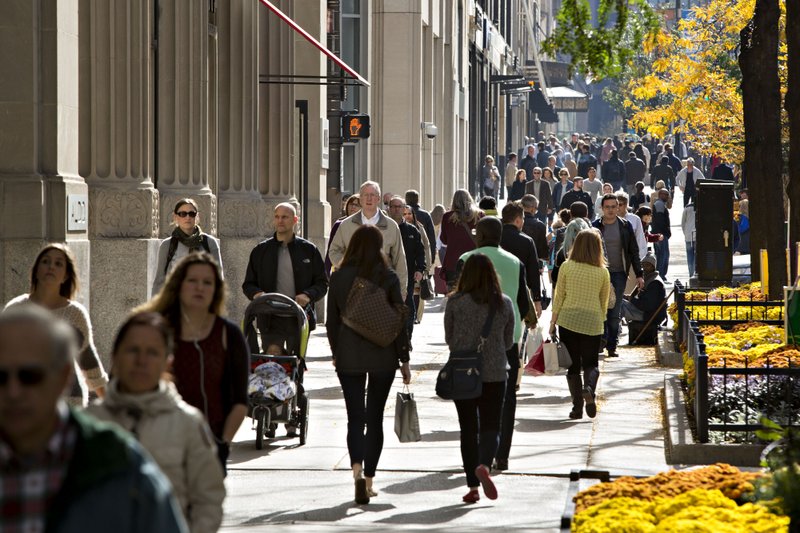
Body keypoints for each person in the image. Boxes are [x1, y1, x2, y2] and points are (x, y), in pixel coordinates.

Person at [0, 306, 188, 532]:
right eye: (1, 377)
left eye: (29, 376)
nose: (13, 392)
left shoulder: (119, 463)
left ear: (62, 377)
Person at [86, 312, 225, 532]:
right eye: (133, 350)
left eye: (152, 352)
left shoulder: (187, 423)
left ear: (167, 361)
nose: (141, 361)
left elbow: (209, 499)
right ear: (115, 356)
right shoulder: (91, 423)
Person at [138, 252, 249, 474]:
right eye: (192, 281)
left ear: (216, 290)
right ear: (179, 285)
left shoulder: (230, 335)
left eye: (207, 282)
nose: (200, 287)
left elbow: (240, 401)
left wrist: (223, 444)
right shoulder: (154, 330)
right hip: (156, 450)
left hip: (207, 449)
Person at [326, 225, 412, 505]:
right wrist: (404, 359)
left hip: (349, 355)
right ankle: (371, 480)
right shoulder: (386, 276)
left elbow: (331, 322)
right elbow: (399, 319)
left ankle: (357, 472)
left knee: (355, 417)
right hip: (383, 355)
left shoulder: (338, 278)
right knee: (375, 418)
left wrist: (336, 351)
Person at [457, 218, 529, 474]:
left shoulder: (466, 259)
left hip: (469, 339)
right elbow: (524, 300)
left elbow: (456, 296)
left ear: (478, 235)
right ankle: (502, 454)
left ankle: (478, 453)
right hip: (505, 336)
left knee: (472, 393)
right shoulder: (515, 262)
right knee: (506, 398)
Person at [445, 254, 515, 504]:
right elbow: (508, 342)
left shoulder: (454, 303)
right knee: (491, 426)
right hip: (495, 372)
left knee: (467, 429)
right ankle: (485, 464)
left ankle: (473, 487)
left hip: (463, 372)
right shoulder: (504, 303)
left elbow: (450, 339)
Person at [3, 243, 108, 406]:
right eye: (45, 261)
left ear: (66, 276)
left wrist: (114, 407)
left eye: (58, 263)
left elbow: (88, 361)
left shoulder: (75, 314)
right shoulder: (16, 309)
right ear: (36, 270)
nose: (51, 266)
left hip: (68, 402)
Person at [242, 202, 328, 353]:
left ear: (295, 220)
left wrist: (308, 295)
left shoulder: (309, 250)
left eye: (285, 217)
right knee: (271, 363)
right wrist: (258, 295)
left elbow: (322, 283)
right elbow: (248, 284)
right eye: (277, 217)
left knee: (296, 363)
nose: (280, 221)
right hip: (269, 317)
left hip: (298, 317)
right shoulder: (261, 250)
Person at [549, 229, 609, 419]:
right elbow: (604, 302)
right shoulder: (603, 272)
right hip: (592, 320)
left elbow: (559, 296)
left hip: (568, 320)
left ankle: (577, 408)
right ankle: (589, 388)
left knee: (572, 366)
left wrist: (553, 321)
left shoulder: (567, 266)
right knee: (591, 363)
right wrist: (601, 321)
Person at [328, 180, 408, 298]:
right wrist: (349, 268)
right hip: (352, 290)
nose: (369, 199)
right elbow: (334, 251)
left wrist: (401, 293)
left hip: (382, 289)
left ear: (378, 199)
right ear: (360, 199)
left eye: (372, 195)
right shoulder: (346, 225)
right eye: (365, 195)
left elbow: (400, 261)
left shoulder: (391, 226)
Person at [591, 194, 644, 358]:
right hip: (600, 273)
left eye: (614, 206)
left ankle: (612, 346)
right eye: (607, 207)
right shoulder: (595, 227)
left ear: (619, 207)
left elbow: (633, 251)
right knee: (599, 309)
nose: (611, 210)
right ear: (602, 208)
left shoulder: (625, 226)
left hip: (619, 273)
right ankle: (601, 341)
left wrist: (639, 274)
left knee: (614, 311)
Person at [153, 198, 223, 296]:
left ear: (197, 216)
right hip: (175, 301)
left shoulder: (209, 242)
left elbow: (219, 276)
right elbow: (159, 280)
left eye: (191, 214)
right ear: (175, 217)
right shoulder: (167, 245)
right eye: (182, 214)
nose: (187, 217)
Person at [388, 197, 426, 340]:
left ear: (404, 209)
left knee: (407, 304)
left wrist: (420, 269)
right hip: (387, 274)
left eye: (400, 206)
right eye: (394, 206)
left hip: (408, 274)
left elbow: (420, 252)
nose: (397, 209)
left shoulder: (412, 230)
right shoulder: (385, 228)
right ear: (389, 208)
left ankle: (407, 336)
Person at [440, 189, 482, 291]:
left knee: (454, 297)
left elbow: (444, 240)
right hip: (474, 262)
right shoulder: (480, 215)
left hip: (453, 263)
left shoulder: (447, 217)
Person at [620, 255, 667, 327]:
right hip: (647, 312)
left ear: (653, 267)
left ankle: (614, 332)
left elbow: (647, 305)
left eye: (647, 265)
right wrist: (628, 297)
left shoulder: (655, 283)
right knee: (619, 301)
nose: (644, 268)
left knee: (620, 306)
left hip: (650, 316)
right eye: (643, 265)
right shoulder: (648, 278)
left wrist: (632, 300)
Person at [325, 193, 361, 277]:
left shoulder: (366, 225)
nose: (353, 207)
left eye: (357, 205)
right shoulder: (339, 224)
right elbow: (331, 250)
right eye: (351, 204)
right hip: (342, 269)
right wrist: (327, 273)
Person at [405, 189, 437, 263]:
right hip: (422, 253)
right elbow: (431, 236)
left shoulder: (402, 214)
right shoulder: (425, 215)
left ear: (406, 200)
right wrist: (432, 257)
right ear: (417, 199)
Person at [520, 194, 550, 271]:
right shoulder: (540, 225)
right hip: (532, 263)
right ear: (533, 209)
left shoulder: (514, 221)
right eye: (536, 208)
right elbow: (542, 249)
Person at [651, 188, 672, 282]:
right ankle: (661, 275)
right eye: (665, 194)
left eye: (667, 195)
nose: (667, 196)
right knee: (663, 255)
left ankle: (661, 274)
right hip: (660, 235)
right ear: (660, 195)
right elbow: (659, 221)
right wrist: (664, 232)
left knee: (661, 255)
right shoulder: (659, 204)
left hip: (660, 234)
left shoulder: (661, 204)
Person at [680, 200, 696, 277]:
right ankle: (695, 273)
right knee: (697, 256)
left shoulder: (687, 208)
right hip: (698, 236)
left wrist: (685, 233)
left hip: (688, 236)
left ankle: (691, 273)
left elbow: (683, 223)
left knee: (690, 256)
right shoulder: (701, 208)